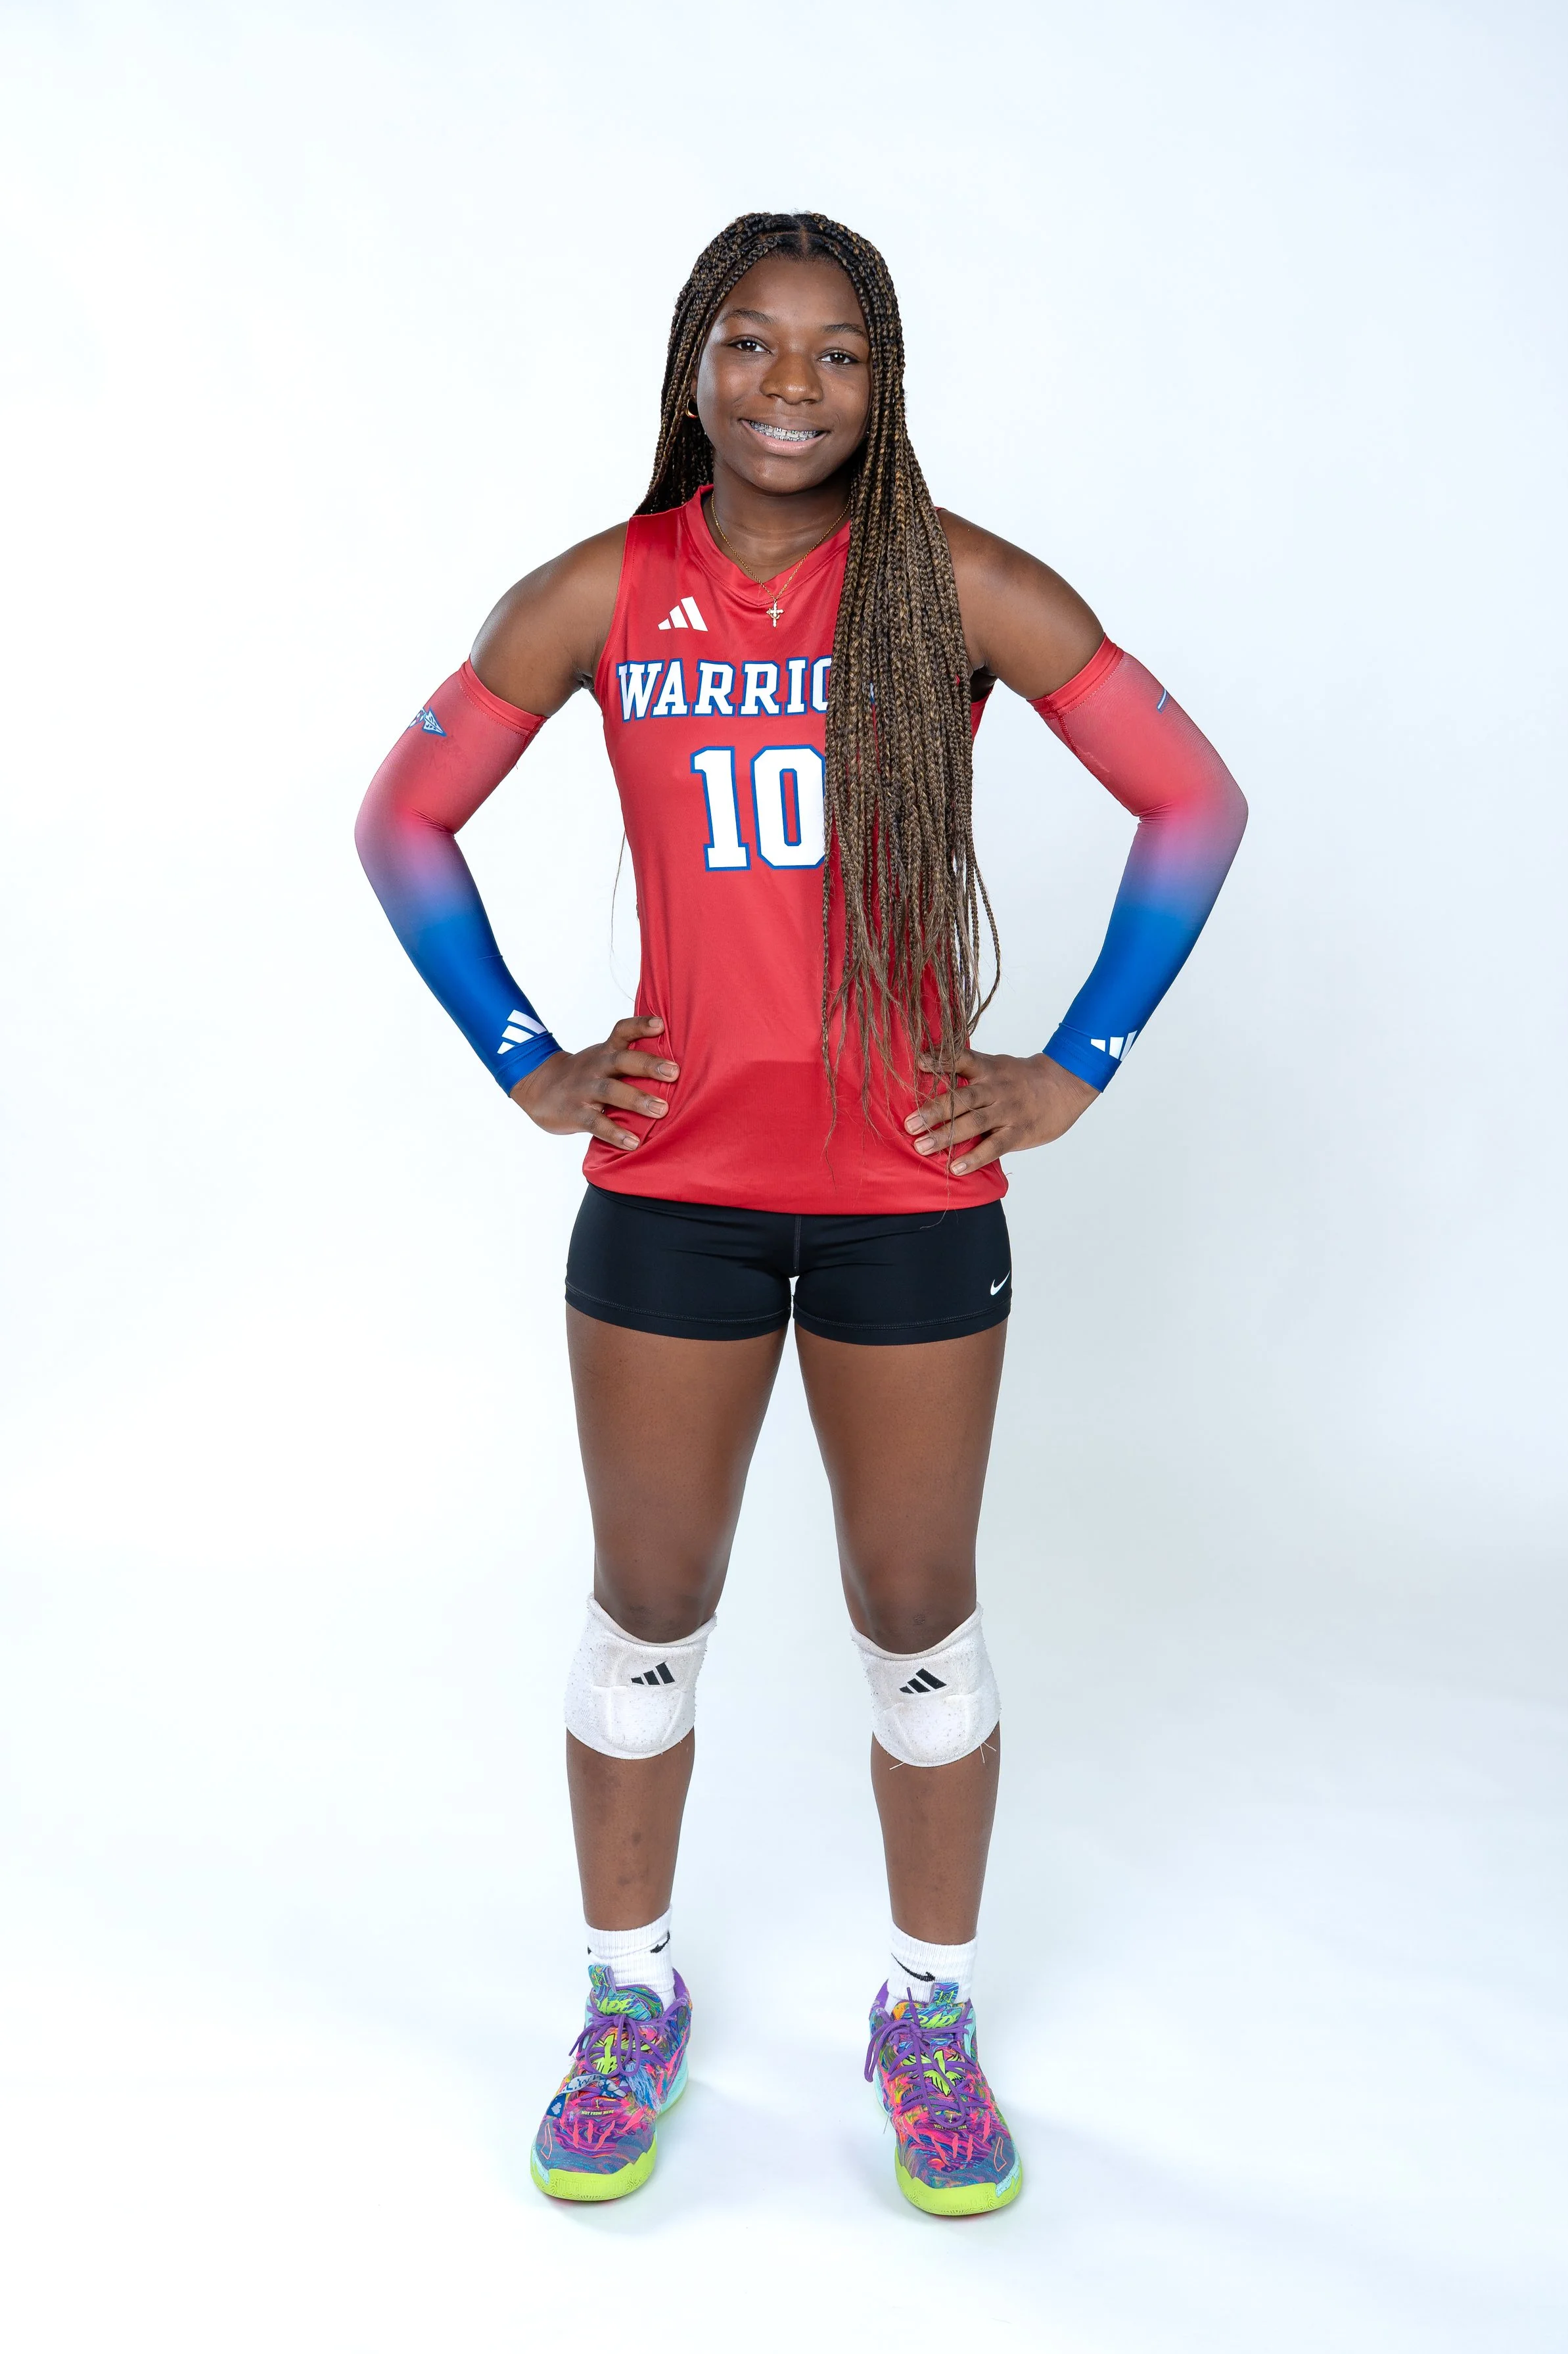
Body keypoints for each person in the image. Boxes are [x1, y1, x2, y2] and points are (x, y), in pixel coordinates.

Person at [356, 211, 1247, 2218]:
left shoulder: (960, 589)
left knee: (914, 1618)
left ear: (884, 383)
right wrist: (523, 1050)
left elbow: (1191, 799)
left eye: (835, 354)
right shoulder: (599, 594)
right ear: (692, 362)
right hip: (668, 1191)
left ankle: (924, 2016)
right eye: (750, 345)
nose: (788, 386)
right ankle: (624, 1998)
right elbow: (399, 821)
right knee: (648, 1608)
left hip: (907, 1195)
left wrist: (1075, 1060)